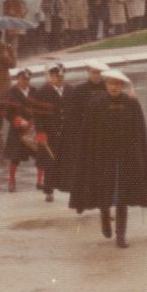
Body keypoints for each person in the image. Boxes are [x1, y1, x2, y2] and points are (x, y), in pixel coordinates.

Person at [67, 69, 147, 248]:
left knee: (123, 197)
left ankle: (120, 235)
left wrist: (136, 155)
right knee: (104, 194)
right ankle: (105, 217)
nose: (114, 87)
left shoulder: (131, 104)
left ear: (121, 86)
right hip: (102, 158)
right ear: (106, 85)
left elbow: (139, 133)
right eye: (111, 84)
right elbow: (88, 133)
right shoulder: (96, 103)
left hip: (124, 159)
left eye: (117, 84)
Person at [51, 60, 107, 195]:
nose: (96, 75)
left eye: (99, 73)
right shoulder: (80, 90)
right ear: (88, 72)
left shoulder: (108, 87)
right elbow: (73, 115)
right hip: (85, 134)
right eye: (94, 72)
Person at [0, 68, 40, 192]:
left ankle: (40, 181)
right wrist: (17, 120)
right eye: (23, 79)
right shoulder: (11, 93)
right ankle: (11, 181)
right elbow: (4, 111)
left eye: (28, 79)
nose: (25, 82)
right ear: (18, 79)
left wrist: (35, 121)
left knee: (40, 155)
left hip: (33, 130)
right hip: (17, 131)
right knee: (14, 157)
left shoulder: (35, 91)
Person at [31, 64, 68, 202]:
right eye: (56, 76)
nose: (59, 79)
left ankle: (69, 186)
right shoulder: (42, 93)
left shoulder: (70, 90)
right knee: (49, 163)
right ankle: (49, 190)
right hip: (49, 133)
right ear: (51, 76)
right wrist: (40, 132)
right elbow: (37, 115)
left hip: (66, 133)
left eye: (61, 76)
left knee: (68, 161)